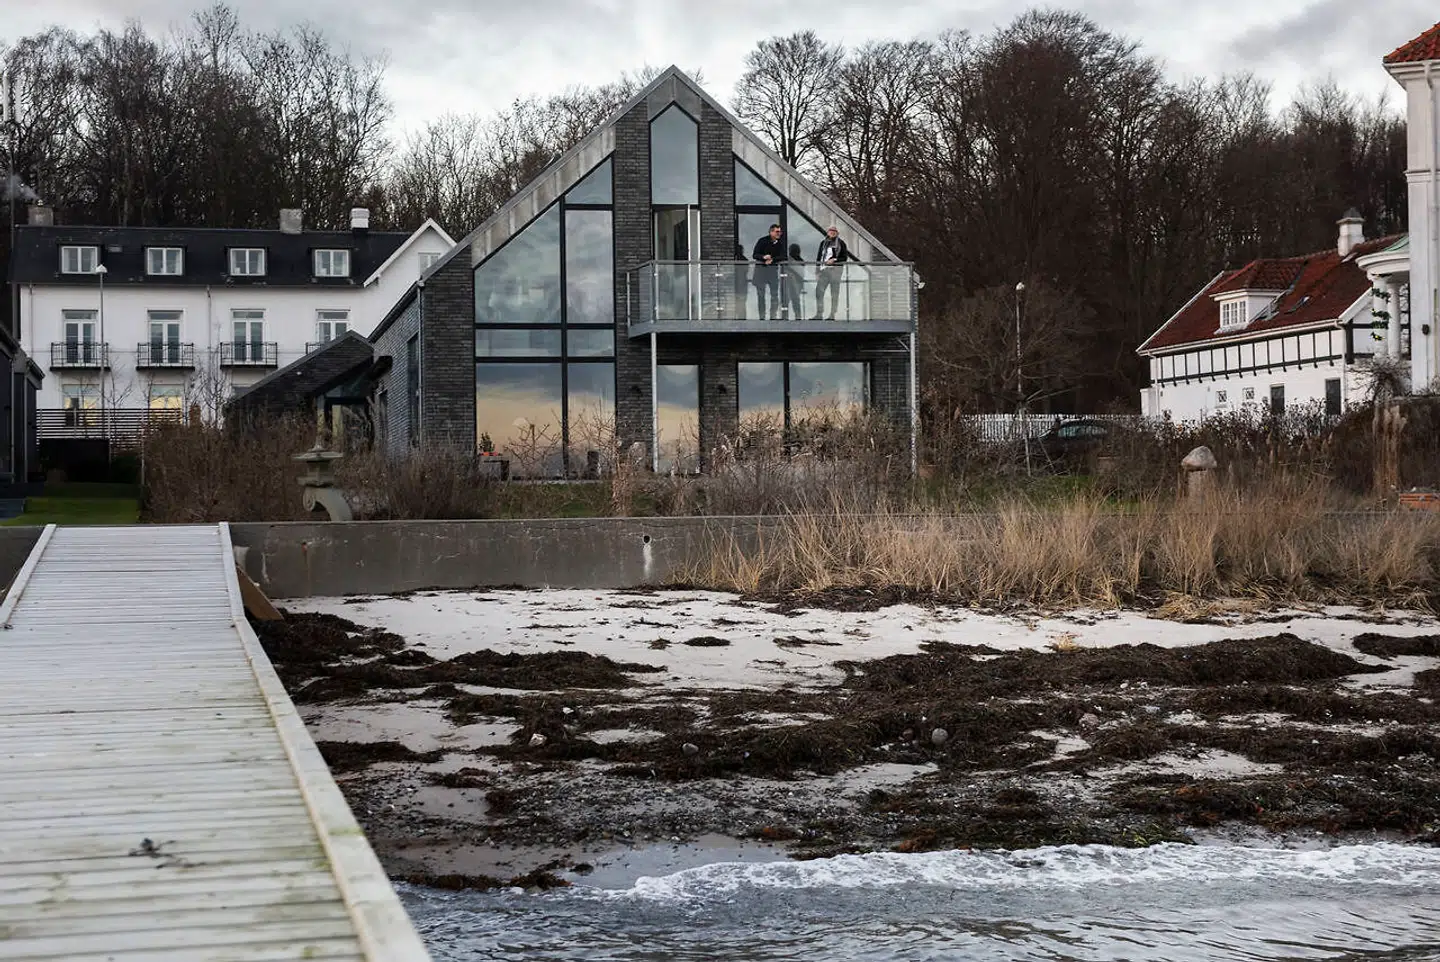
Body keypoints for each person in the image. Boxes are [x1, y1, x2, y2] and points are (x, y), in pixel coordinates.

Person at [813, 225, 851, 320]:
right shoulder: (823, 243)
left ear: (837, 233)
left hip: (835, 271)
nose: (832, 232)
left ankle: (832, 314)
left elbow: (844, 258)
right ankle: (819, 313)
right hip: (824, 271)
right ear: (827, 232)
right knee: (819, 292)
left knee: (834, 293)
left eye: (834, 231)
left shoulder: (841, 244)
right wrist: (817, 271)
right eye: (831, 230)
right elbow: (819, 257)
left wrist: (834, 260)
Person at [751, 224, 785, 321]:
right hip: (761, 272)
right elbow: (755, 255)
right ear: (771, 232)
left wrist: (773, 260)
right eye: (777, 232)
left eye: (780, 232)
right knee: (761, 296)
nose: (779, 234)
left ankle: (773, 316)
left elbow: (783, 256)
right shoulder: (762, 241)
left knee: (774, 295)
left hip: (772, 273)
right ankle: (762, 317)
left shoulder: (779, 243)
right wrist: (763, 257)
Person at [783, 243, 805, 319]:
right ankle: (798, 316)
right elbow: (802, 274)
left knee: (786, 300)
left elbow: (784, 270)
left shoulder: (788, 260)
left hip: (788, 283)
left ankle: (784, 316)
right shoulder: (801, 261)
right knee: (795, 300)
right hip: (797, 283)